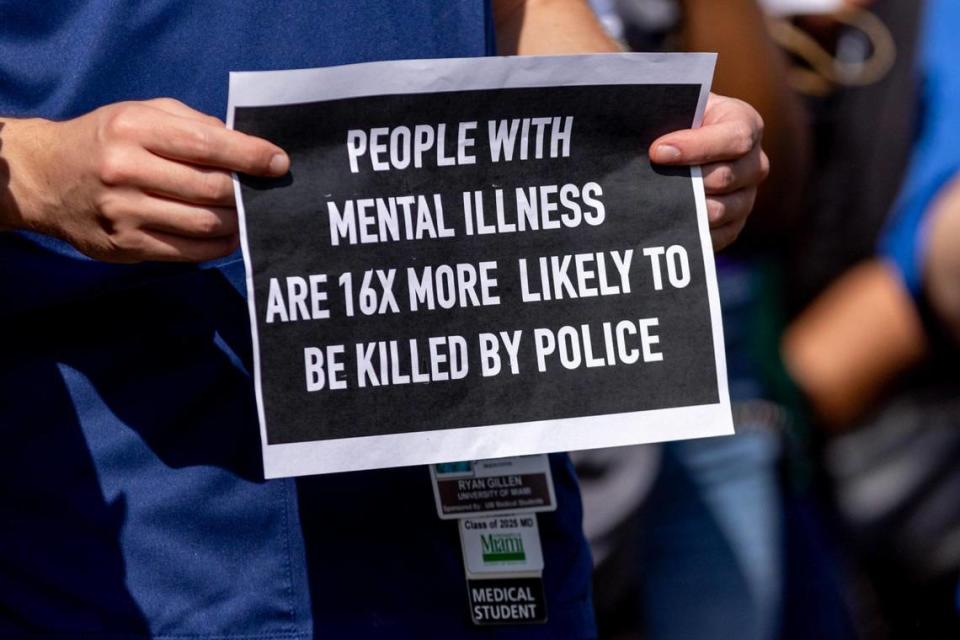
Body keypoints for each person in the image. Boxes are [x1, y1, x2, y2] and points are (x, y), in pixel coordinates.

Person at [0, 1, 768, 637]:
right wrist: (36, 171)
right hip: (136, 516)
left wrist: (656, 148)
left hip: (475, 496)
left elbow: (522, 14)